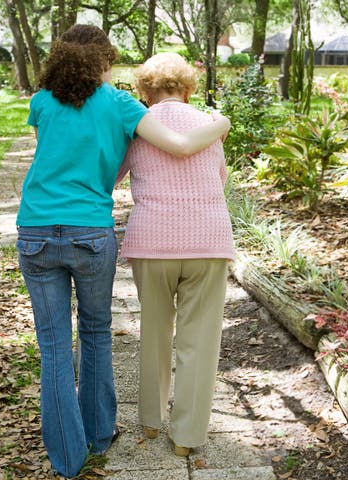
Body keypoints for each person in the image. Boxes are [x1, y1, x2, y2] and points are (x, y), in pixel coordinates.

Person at [15, 26, 230, 478]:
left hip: (37, 228)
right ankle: (112, 435)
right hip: (100, 232)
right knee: (97, 333)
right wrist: (222, 123)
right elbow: (191, 155)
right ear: (104, 63)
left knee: (54, 347)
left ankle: (71, 457)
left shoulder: (42, 102)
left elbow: (59, 159)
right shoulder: (121, 107)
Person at [116, 52, 235, 457]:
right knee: (199, 341)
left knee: (154, 331)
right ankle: (186, 437)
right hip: (208, 242)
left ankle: (151, 421)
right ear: (188, 89)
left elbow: (111, 176)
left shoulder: (137, 128)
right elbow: (219, 179)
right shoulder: (210, 125)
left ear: (145, 91)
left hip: (153, 242)